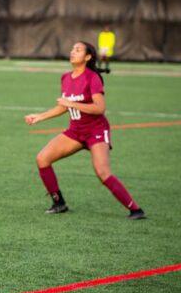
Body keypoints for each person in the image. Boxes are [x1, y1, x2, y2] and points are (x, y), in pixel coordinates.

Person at [24, 41, 146, 220]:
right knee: (42, 158)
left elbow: (99, 108)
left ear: (87, 57)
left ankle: (136, 210)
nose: (73, 52)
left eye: (78, 50)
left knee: (102, 172)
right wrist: (40, 116)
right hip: (75, 131)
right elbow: (64, 107)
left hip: (96, 130)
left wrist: (71, 103)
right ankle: (59, 203)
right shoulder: (65, 77)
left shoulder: (92, 78)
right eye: (72, 49)